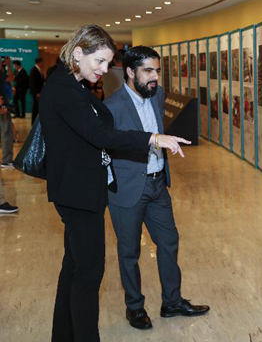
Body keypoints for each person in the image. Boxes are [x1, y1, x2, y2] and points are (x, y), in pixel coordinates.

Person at [39, 25, 190, 342]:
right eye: (100, 61)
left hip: (82, 192)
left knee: (74, 269)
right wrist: (152, 138)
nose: (105, 70)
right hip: (78, 194)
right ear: (78, 53)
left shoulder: (73, 85)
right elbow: (100, 135)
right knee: (89, 274)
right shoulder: (64, 89)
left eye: (108, 63)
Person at [104, 46, 209, 330]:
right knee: (129, 252)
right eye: (148, 71)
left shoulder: (157, 95)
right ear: (130, 72)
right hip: (128, 188)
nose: (155, 77)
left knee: (169, 242)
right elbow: (110, 145)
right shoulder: (112, 107)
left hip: (158, 184)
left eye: (157, 71)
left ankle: (172, 302)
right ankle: (134, 307)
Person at [0, 57, 14, 168]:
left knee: (6, 132)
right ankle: (6, 160)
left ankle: (7, 160)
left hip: (3, 103)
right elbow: (10, 78)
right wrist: (9, 65)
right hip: (2, 105)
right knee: (6, 132)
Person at [30, 57, 45, 124]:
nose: (43, 64)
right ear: (40, 62)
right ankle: (34, 122)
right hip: (36, 93)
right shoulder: (34, 70)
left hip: (39, 92)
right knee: (35, 108)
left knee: (37, 107)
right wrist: (37, 93)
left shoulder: (39, 70)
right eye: (42, 62)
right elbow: (33, 82)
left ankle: (36, 122)